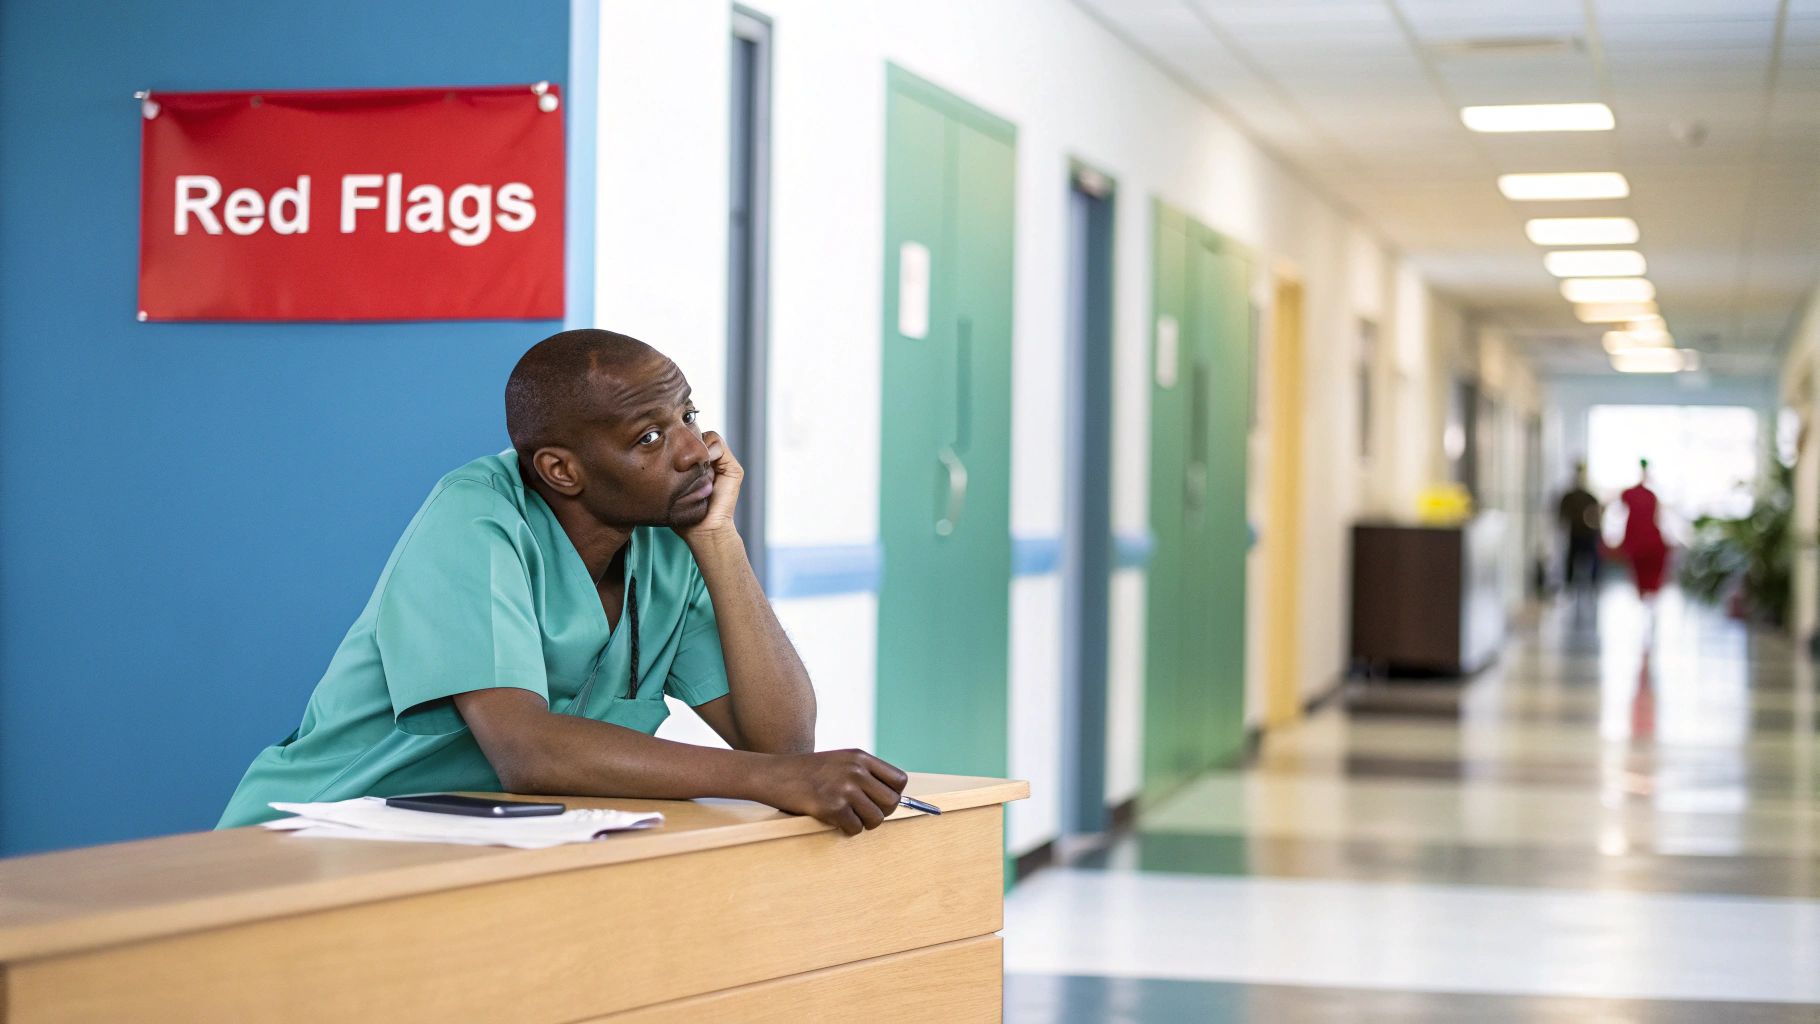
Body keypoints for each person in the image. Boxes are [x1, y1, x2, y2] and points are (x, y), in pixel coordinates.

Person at [219, 329, 907, 836]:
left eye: (688, 418)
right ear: (561, 471)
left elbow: (782, 744)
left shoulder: (669, 544)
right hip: (324, 841)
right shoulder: (476, 515)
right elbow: (528, 750)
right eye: (648, 437)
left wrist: (720, 542)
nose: (696, 451)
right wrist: (773, 781)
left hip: (489, 846)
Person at [1618, 459, 1669, 600]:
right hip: (1639, 540)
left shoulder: (1651, 495)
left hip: (1648, 541)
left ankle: (1648, 600)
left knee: (1649, 576)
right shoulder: (1630, 493)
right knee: (1641, 575)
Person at [1555, 461, 1602, 593]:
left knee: (1592, 562)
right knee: (1571, 561)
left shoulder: (1590, 498)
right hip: (1575, 534)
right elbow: (1562, 515)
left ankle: (1592, 586)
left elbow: (1597, 516)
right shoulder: (1569, 497)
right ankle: (1569, 588)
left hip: (1588, 535)